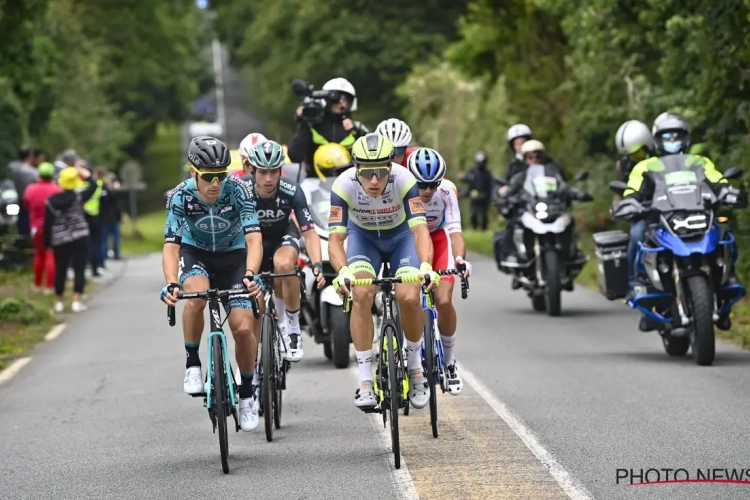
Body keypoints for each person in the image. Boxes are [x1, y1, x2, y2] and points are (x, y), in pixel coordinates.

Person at [160, 136, 264, 432]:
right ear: (193, 172)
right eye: (208, 177)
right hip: (197, 254)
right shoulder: (179, 197)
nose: (216, 184)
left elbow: (254, 238)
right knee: (195, 295)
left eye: (221, 175)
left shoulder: (240, 190)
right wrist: (171, 283)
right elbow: (171, 247)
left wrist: (251, 272)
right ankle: (192, 362)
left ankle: (246, 394)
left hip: (233, 258)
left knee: (244, 328)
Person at [327, 133, 438, 410]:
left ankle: (415, 368)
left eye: (380, 172)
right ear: (356, 170)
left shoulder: (404, 180)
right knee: (361, 293)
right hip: (364, 239)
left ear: (391, 167)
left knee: (410, 296)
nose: (374, 181)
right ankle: (365, 380)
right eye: (367, 173)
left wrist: (425, 265)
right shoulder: (342, 186)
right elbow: (336, 241)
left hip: (401, 238)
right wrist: (342, 271)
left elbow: (420, 230)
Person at [622, 113, 730, 303]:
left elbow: (717, 180)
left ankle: (727, 279)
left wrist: (726, 191)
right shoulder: (646, 166)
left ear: (685, 138)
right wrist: (630, 200)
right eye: (666, 137)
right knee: (637, 233)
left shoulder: (699, 162)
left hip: (698, 214)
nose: (672, 140)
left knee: (725, 233)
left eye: (676, 136)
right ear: (657, 140)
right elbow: (633, 188)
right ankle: (634, 284)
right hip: (660, 219)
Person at [243, 140, 326, 363]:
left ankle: (292, 327)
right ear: (252, 169)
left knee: (284, 266)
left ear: (281, 170)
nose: (268, 179)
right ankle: (257, 356)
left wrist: (317, 265)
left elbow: (309, 233)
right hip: (253, 242)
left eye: (274, 172)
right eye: (262, 172)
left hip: (282, 235)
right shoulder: (240, 190)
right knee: (255, 300)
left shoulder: (292, 190)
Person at [406, 147, 472, 394]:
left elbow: (455, 231)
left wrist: (459, 259)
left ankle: (449, 360)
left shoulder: (447, 191)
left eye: (433, 185)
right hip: (409, 239)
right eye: (422, 185)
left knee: (443, 300)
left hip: (439, 238)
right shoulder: (400, 190)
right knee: (409, 297)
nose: (427, 191)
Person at [497, 140, 582, 268]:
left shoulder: (553, 173)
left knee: (569, 221)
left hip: (551, 208)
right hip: (530, 209)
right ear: (525, 159)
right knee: (515, 224)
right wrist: (503, 197)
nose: (534, 160)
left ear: (543, 157)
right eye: (530, 157)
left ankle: (571, 251)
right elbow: (510, 190)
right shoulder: (521, 176)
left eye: (537, 157)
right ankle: (517, 255)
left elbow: (563, 186)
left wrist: (577, 193)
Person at [287, 77, 369, 180]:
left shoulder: (356, 129)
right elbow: (295, 156)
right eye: (336, 99)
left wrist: (357, 131)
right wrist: (304, 123)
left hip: (349, 184)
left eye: (345, 99)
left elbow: (370, 157)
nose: (341, 103)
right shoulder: (313, 126)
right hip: (315, 184)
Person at [44, 165, 98, 313]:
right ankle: (76, 301)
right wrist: (85, 173)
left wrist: (47, 243)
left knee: (60, 269)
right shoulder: (79, 197)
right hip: (80, 237)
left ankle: (59, 302)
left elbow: (47, 224)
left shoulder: (50, 202)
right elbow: (93, 186)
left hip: (60, 240)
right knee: (79, 269)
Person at [613, 119, 655, 286]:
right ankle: (632, 282)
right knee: (637, 235)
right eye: (630, 154)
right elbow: (618, 190)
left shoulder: (660, 156)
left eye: (637, 153)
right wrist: (618, 206)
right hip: (641, 209)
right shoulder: (623, 165)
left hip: (668, 205)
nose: (634, 158)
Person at [23, 162, 62, 293]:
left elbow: (27, 204)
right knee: (51, 254)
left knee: (39, 254)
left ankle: (37, 284)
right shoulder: (57, 189)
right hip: (53, 227)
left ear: (39, 174)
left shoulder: (30, 189)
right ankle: (49, 286)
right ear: (52, 175)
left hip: (35, 227)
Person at [6, 146, 38, 237]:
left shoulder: (13, 169)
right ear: (30, 156)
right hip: (30, 201)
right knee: (28, 222)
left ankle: (21, 239)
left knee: (20, 222)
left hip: (18, 198)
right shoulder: (33, 172)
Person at [460, 151, 495, 231]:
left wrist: (491, 195)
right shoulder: (473, 171)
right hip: (474, 195)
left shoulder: (487, 173)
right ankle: (474, 228)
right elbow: (468, 180)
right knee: (473, 214)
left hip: (484, 195)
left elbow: (491, 184)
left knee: (484, 214)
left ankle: (484, 229)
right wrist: (463, 178)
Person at [99, 169, 122, 265]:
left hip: (108, 217)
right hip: (109, 217)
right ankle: (110, 255)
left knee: (109, 237)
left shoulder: (101, 190)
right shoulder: (108, 191)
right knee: (108, 237)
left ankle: (109, 255)